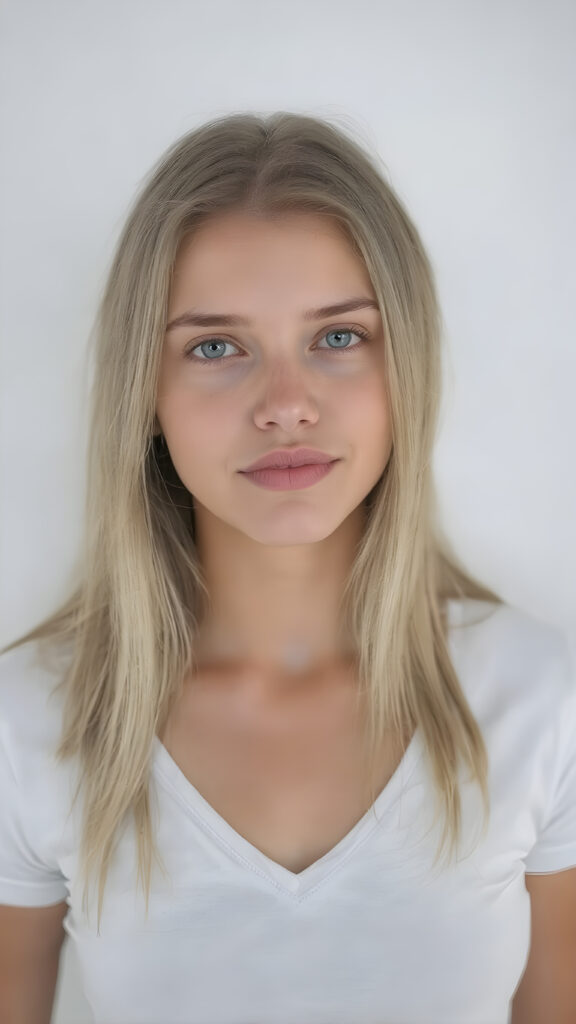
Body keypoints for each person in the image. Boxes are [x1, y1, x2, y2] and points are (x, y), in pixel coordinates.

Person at [1, 111, 575, 1024]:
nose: (286, 405)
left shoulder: (542, 701)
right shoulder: (31, 723)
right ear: (145, 393)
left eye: (338, 337)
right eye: (215, 346)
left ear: (406, 366)